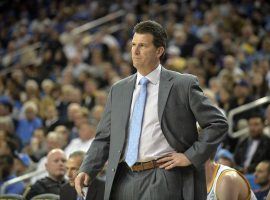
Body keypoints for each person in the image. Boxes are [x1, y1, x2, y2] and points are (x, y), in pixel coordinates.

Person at [75, 20, 228, 200]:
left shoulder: (182, 85)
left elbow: (217, 123)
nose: (135, 50)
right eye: (133, 45)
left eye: (142, 45)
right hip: (123, 177)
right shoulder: (119, 89)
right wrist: (87, 168)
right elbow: (104, 137)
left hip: (163, 176)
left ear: (159, 51)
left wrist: (190, 156)